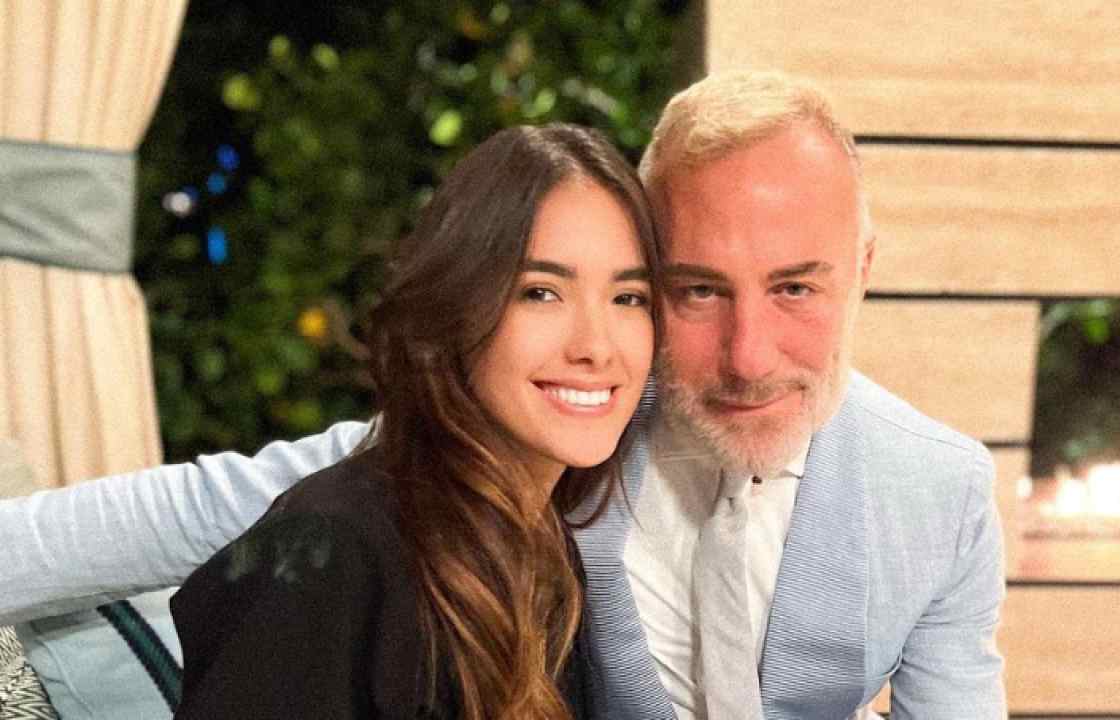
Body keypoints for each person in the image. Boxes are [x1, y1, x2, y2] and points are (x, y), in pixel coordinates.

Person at [1, 71, 1006, 719]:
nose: (748, 356)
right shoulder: (550, 429)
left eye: (795, 288)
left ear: (862, 268)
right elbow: (228, 512)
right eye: (696, 290)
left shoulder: (942, 491)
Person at [173, 123, 660, 719]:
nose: (596, 347)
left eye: (628, 298)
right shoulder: (334, 556)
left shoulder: (550, 549)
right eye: (540, 292)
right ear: (457, 306)